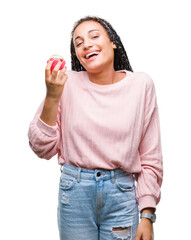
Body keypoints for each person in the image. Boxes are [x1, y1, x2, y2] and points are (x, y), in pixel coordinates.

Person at [28, 16, 163, 240]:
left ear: (113, 42)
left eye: (94, 36)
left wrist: (147, 215)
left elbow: (151, 156)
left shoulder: (141, 85)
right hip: (75, 194)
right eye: (78, 43)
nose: (86, 44)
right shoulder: (66, 83)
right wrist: (52, 95)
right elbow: (41, 148)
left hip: (122, 194)